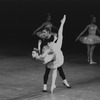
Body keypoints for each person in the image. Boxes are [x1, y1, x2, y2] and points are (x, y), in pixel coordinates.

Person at [32, 14, 71, 93]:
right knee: (48, 70)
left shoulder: (53, 36)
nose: (43, 34)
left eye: (44, 32)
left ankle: (64, 82)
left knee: (59, 68)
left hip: (56, 53)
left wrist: (61, 24)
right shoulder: (43, 40)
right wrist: (39, 46)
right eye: (42, 32)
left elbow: (56, 41)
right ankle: (45, 86)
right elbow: (43, 51)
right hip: (50, 55)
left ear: (48, 32)